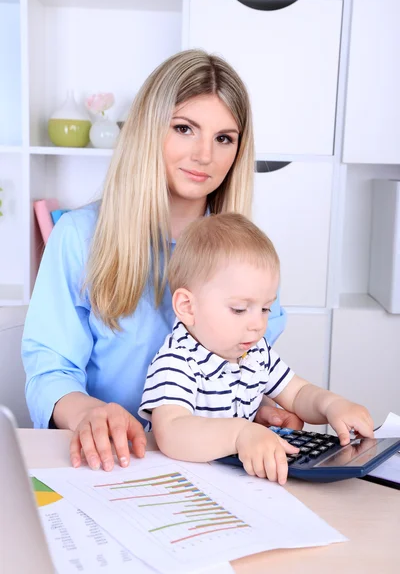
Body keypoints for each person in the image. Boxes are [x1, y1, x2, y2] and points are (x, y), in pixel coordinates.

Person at [22, 49, 303, 473]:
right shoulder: (79, 237)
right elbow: (50, 369)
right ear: (149, 130)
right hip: (112, 465)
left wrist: (258, 404)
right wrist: (86, 414)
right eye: (185, 129)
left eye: (224, 138)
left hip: (214, 468)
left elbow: (241, 364)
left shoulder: (245, 257)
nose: (204, 155)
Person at [138, 213, 375, 485]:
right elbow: (171, 432)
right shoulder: (177, 360)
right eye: (239, 309)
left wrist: (331, 404)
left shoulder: (254, 353)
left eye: (265, 309)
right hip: (176, 482)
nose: (257, 324)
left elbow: (296, 392)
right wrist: (240, 434)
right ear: (188, 307)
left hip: (234, 483)